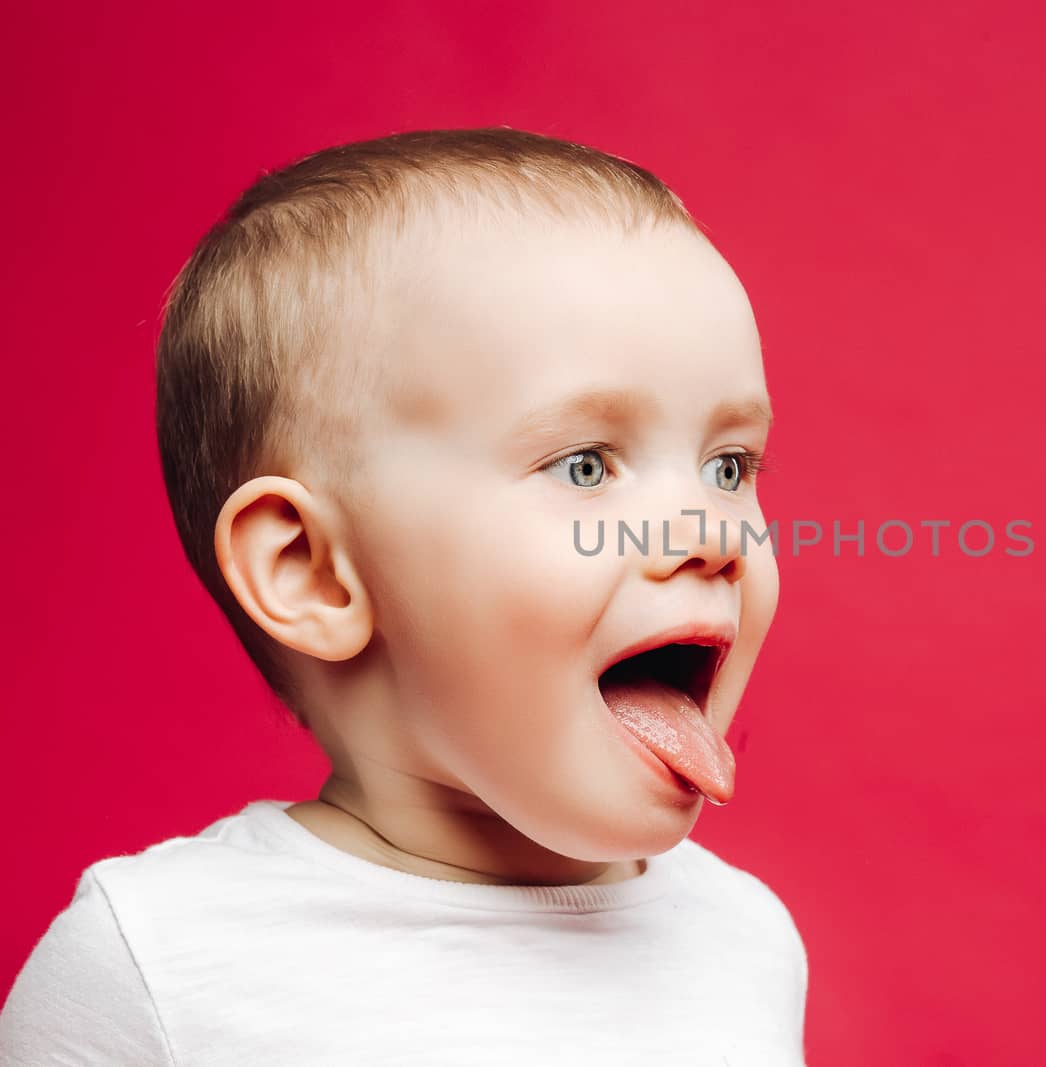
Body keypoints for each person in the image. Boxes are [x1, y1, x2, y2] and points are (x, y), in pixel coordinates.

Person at [0, 127, 807, 1064]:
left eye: (729, 465)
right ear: (312, 570)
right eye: (585, 466)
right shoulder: (156, 966)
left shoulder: (746, 942)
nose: (711, 531)